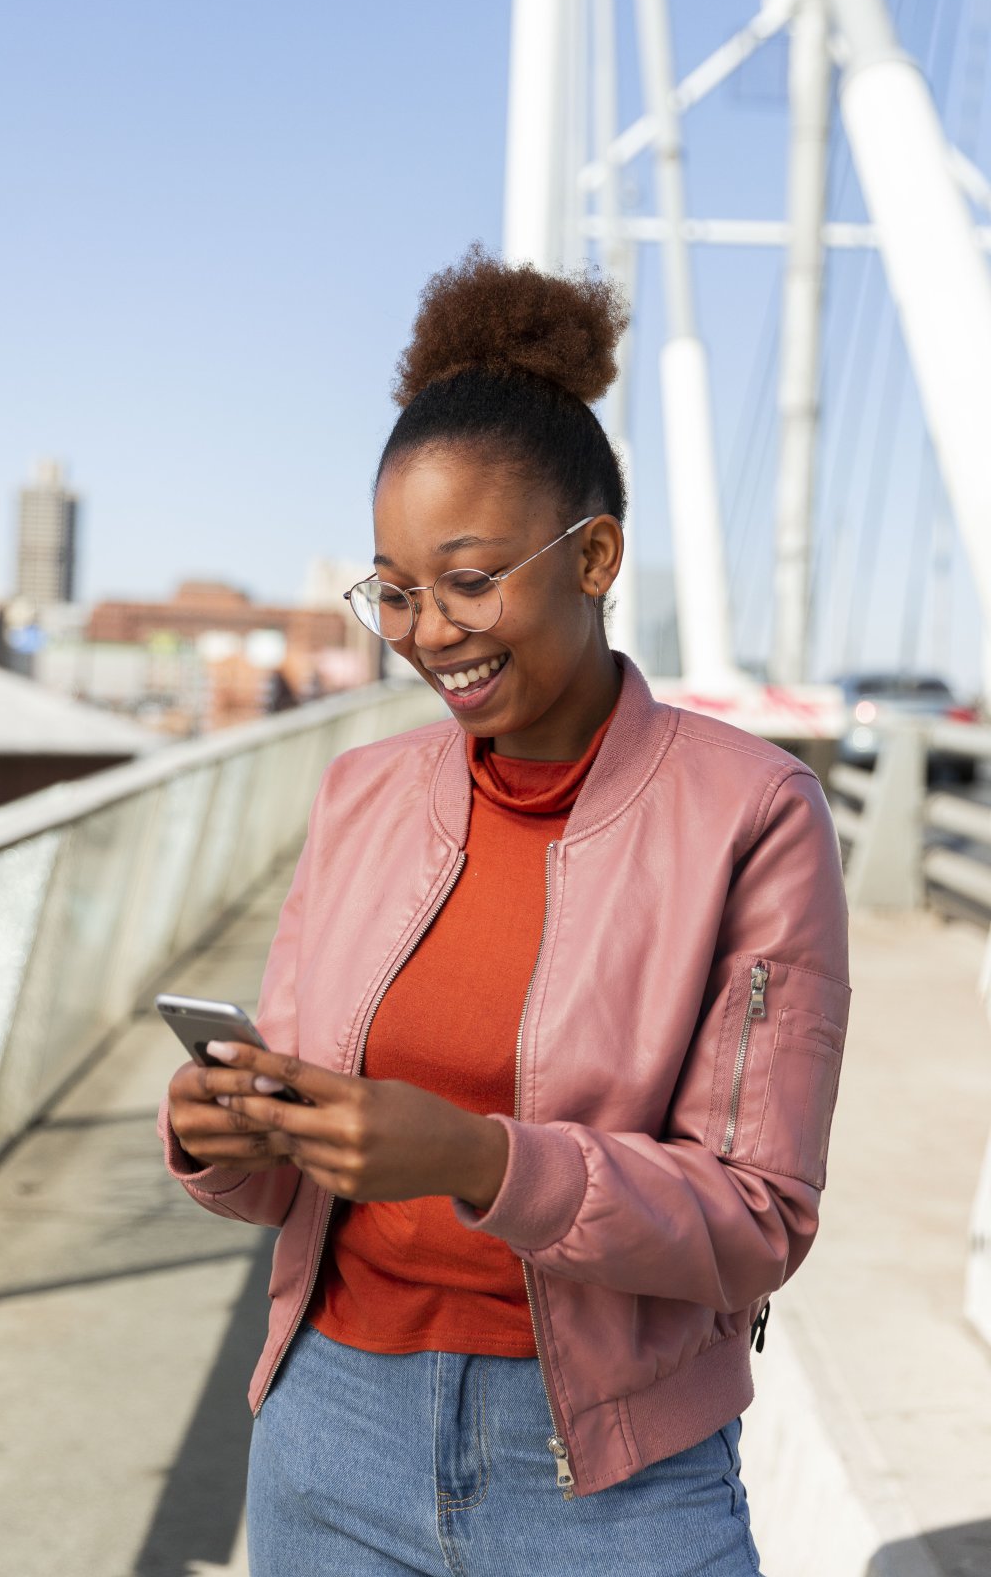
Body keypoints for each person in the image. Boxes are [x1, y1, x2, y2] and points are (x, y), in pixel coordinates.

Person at [158, 248, 850, 1575]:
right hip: (327, 1439)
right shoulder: (361, 794)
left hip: (606, 1473)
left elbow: (759, 1221)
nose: (427, 632)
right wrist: (217, 1130)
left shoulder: (753, 815)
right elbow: (281, 1174)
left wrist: (480, 1162)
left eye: (469, 581)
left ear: (593, 556)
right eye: (395, 590)